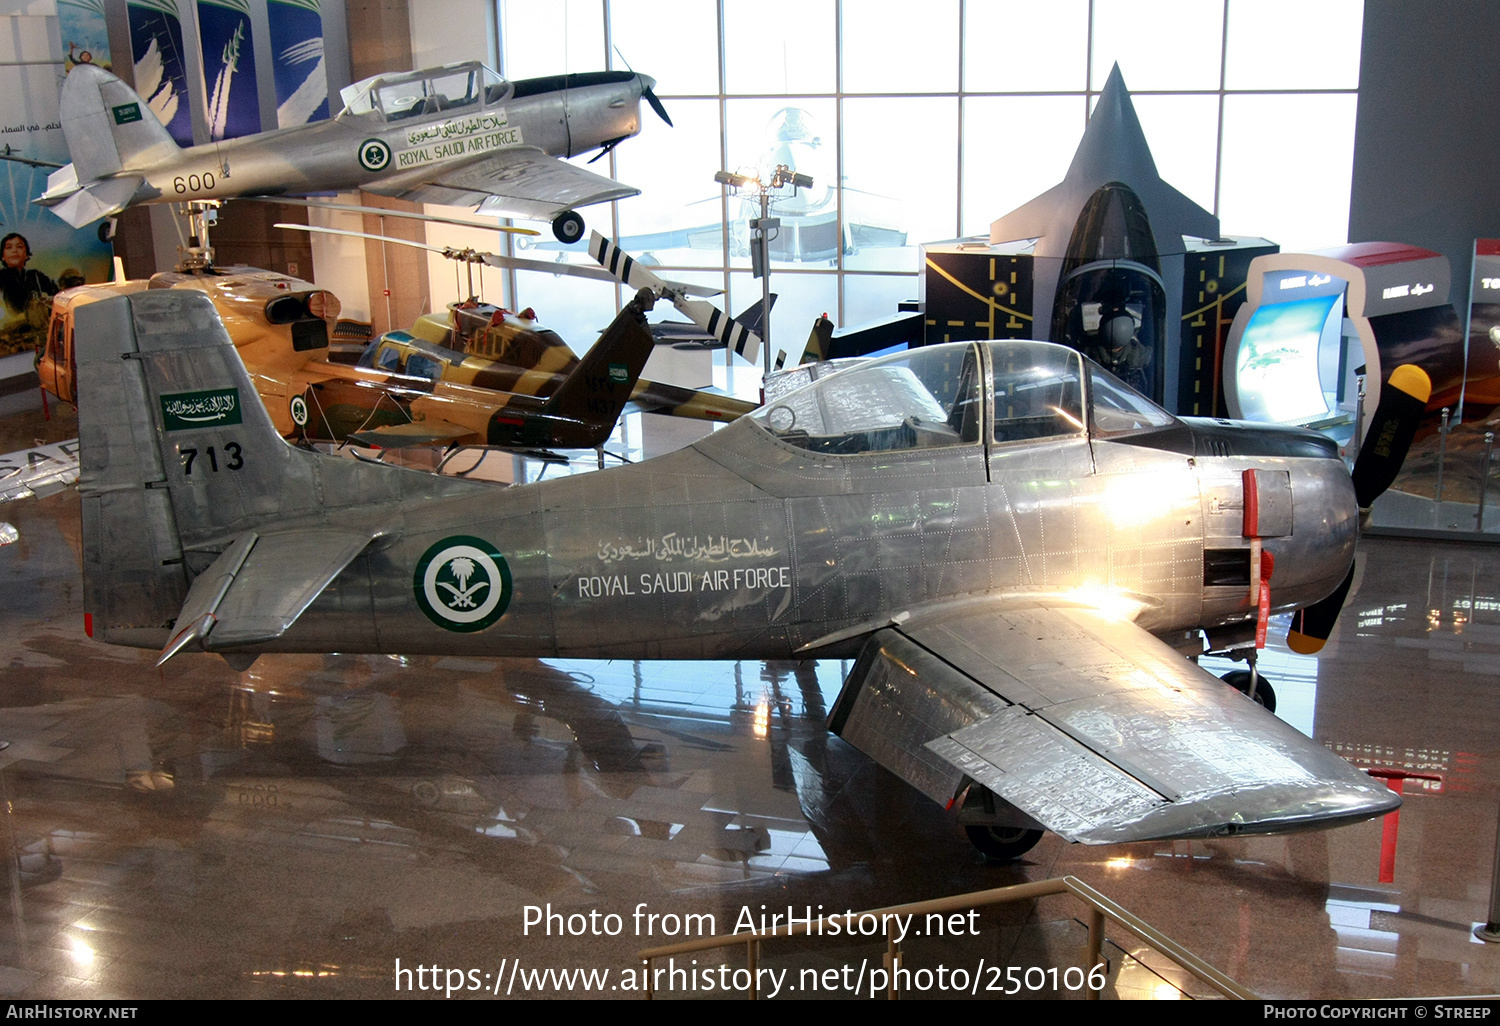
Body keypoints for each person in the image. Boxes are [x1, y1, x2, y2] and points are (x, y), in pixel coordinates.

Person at [1, 233, 59, 323]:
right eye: (9, 247)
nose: (14, 251)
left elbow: (57, 292)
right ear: (2, 256)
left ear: (26, 255)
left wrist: (50, 300)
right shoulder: (2, 276)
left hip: (37, 323)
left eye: (19, 247)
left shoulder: (35, 275)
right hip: (11, 325)